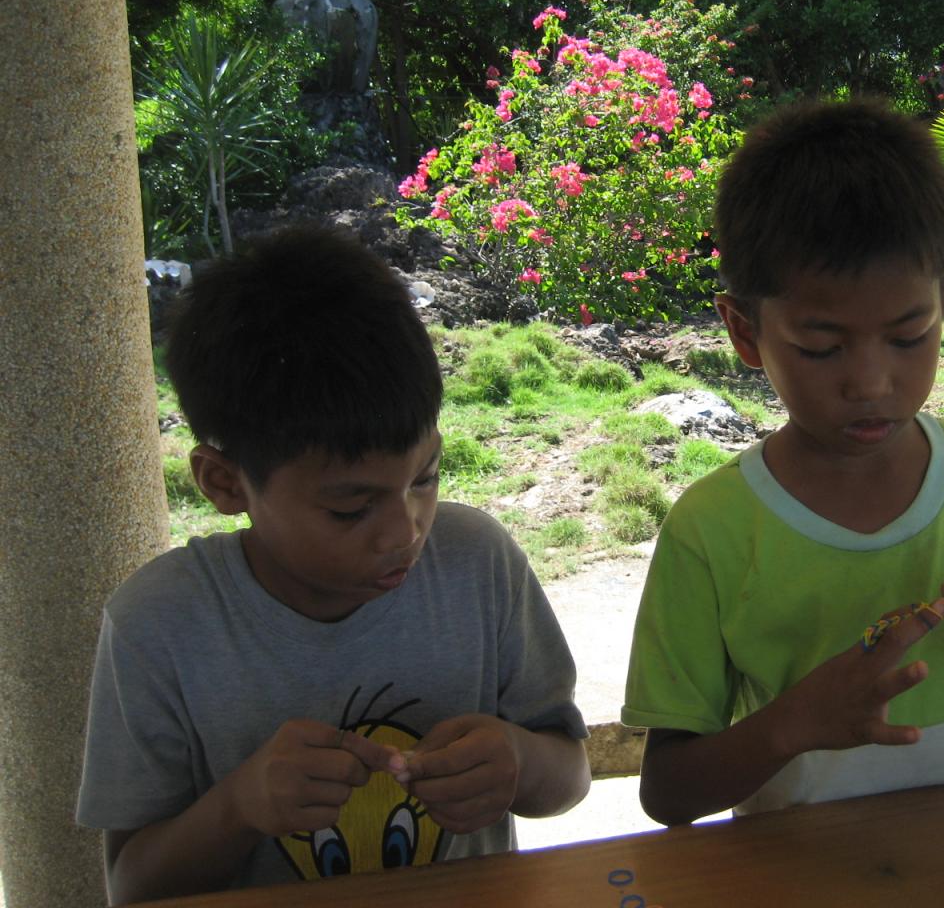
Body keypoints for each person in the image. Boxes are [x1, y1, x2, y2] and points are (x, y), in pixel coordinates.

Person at [621, 98, 944, 827]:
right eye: (821, 347)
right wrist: (791, 723)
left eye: (909, 335)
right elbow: (668, 794)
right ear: (745, 331)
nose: (870, 383)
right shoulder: (710, 530)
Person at [76, 224, 590, 903]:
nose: (404, 531)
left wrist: (520, 765)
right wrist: (239, 807)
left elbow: (570, 773)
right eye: (351, 509)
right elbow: (132, 887)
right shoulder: (158, 626)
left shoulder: (477, 562)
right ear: (225, 484)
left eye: (426, 478)